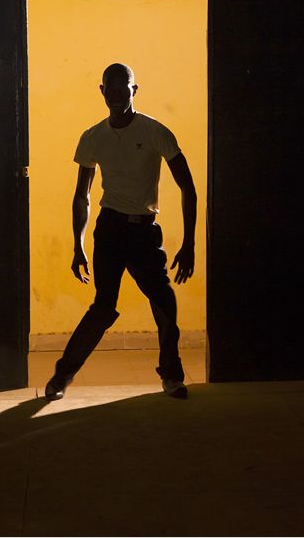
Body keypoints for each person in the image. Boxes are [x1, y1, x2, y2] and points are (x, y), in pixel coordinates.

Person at [45, 63, 197, 401]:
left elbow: (188, 187)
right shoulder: (92, 138)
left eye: (123, 88)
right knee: (103, 307)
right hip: (110, 231)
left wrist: (189, 243)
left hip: (144, 233)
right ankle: (61, 376)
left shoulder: (155, 132)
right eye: (110, 89)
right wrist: (78, 245)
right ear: (102, 91)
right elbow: (82, 196)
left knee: (164, 302)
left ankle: (171, 375)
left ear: (134, 90)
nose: (116, 95)